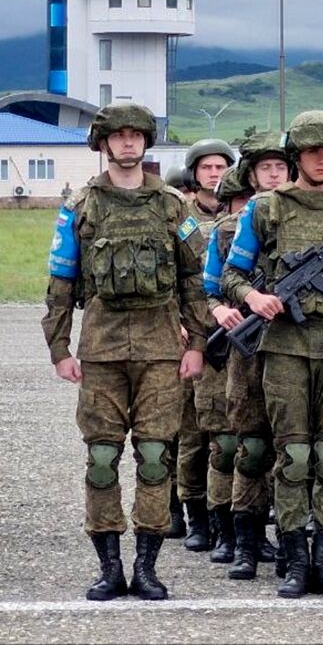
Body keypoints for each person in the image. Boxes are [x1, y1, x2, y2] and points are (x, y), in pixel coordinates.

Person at [43, 102, 209, 601]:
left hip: (161, 349)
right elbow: (60, 280)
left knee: (156, 458)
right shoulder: (81, 205)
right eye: (119, 135)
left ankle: (148, 567)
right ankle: (110, 566)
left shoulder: (172, 205)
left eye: (137, 134)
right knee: (101, 457)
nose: (129, 142)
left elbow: (193, 280)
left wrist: (197, 343)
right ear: (103, 143)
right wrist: (59, 348)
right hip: (101, 348)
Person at [222, 110, 323, 599]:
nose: (322, 160)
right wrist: (253, 298)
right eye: (313, 151)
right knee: (293, 457)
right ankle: (295, 560)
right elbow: (232, 273)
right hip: (286, 349)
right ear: (297, 156)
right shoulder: (266, 209)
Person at [212, 132, 291, 581]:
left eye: (281, 167)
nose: (274, 174)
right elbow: (213, 282)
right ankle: (245, 542)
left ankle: (288, 538)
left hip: (294, 349)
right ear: (252, 174)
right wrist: (225, 307)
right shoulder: (229, 229)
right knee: (251, 447)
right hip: (248, 347)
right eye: (266, 169)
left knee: (291, 448)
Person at [174, 138, 237, 551]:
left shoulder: (245, 217)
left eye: (221, 167)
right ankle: (192, 515)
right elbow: (173, 273)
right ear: (194, 173)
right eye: (207, 168)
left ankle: (228, 520)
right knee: (190, 434)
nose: (214, 174)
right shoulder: (182, 219)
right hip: (191, 334)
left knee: (230, 433)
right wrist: (178, 322)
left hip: (233, 332)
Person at [197, 165, 254, 567]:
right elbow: (201, 290)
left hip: (261, 350)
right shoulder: (217, 236)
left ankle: (252, 531)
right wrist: (217, 312)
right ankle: (223, 531)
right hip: (222, 347)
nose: (246, 212)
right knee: (224, 446)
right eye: (240, 203)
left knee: (256, 447)